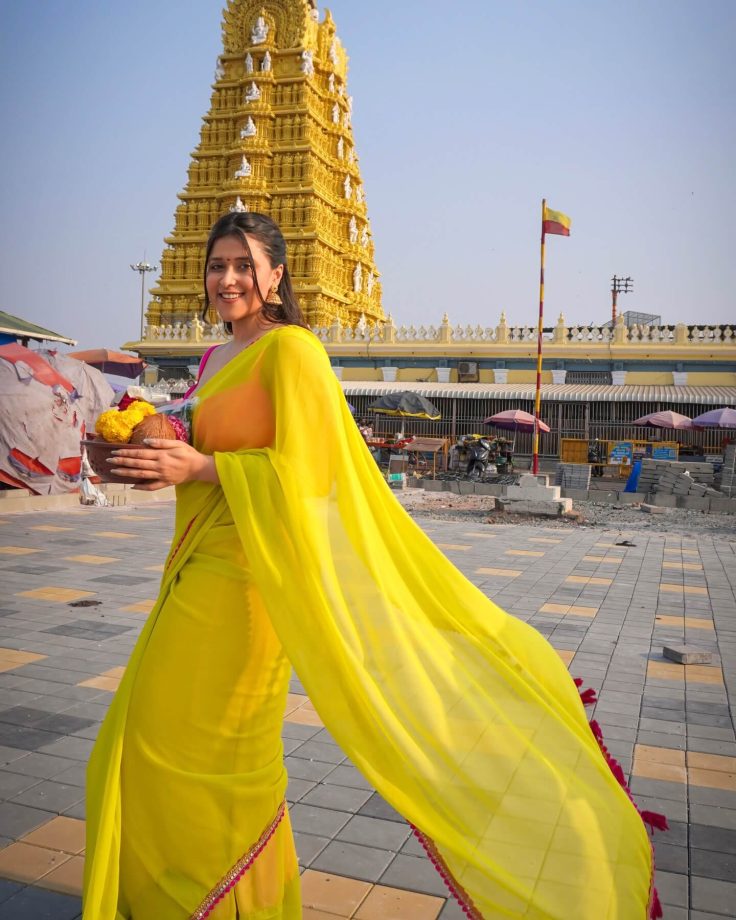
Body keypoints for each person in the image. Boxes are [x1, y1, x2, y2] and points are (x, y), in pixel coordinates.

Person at [84, 213, 662, 920]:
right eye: (216, 264)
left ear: (276, 275)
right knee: (142, 739)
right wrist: (160, 448)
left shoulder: (291, 351)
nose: (227, 278)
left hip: (247, 588)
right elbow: (206, 444)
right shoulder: (211, 360)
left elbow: (312, 474)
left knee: (214, 761)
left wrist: (204, 466)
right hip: (192, 569)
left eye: (243, 264)